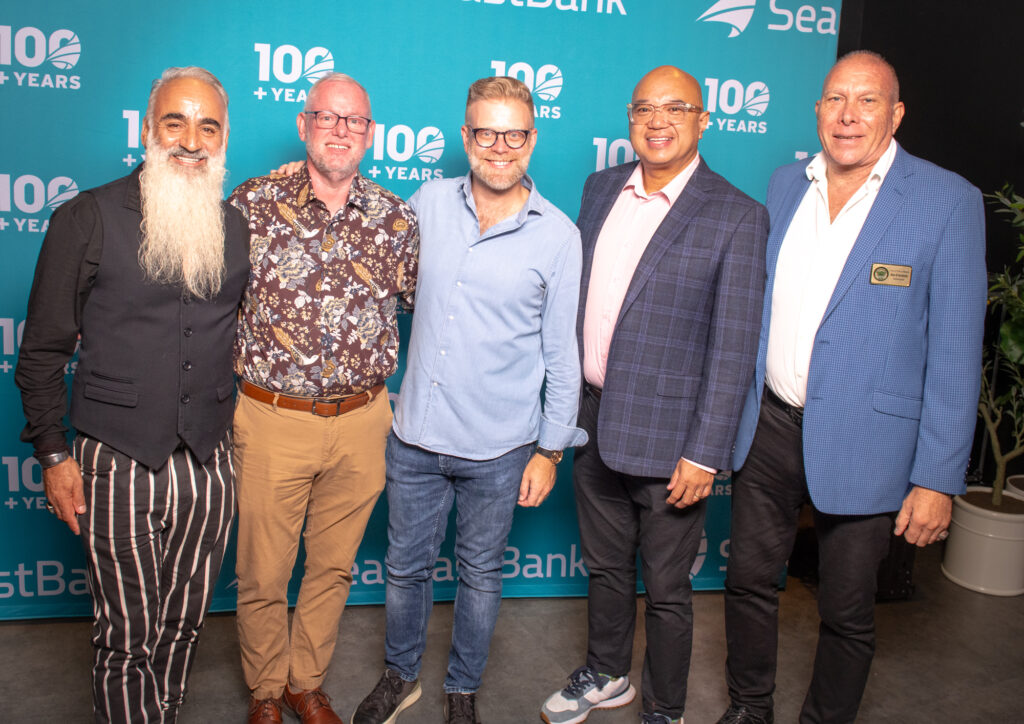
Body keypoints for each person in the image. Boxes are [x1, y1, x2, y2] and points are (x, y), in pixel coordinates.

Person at [717, 51, 986, 724]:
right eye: (836, 99)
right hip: (769, 425)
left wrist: (937, 479)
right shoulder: (786, 183)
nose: (848, 115)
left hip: (870, 440)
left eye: (868, 101)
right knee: (748, 583)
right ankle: (749, 709)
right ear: (817, 110)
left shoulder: (947, 201)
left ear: (896, 114)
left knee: (845, 609)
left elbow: (956, 352)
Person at [14, 66, 249, 723]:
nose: (191, 140)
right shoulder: (86, 217)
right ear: (148, 129)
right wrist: (54, 455)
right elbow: (41, 352)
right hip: (115, 459)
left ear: (224, 138)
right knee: (127, 633)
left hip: (208, 463)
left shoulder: (234, 226)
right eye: (175, 122)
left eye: (208, 127)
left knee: (185, 621)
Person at [349, 76, 585, 724]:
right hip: (416, 439)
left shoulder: (559, 237)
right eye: (487, 132)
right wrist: (301, 179)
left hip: (501, 449)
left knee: (480, 577)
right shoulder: (427, 202)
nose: (500, 147)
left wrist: (550, 452)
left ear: (532, 139)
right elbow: (366, 254)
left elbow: (562, 355)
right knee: (405, 570)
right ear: (466, 136)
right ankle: (401, 675)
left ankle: (462, 689)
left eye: (514, 134)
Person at [541, 65, 769, 724]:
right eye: (644, 107)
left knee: (667, 589)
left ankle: (664, 710)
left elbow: (734, 349)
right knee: (605, 567)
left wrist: (705, 453)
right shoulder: (601, 187)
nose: (658, 120)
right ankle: (607, 672)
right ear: (630, 118)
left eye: (676, 108)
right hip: (592, 419)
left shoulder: (737, 215)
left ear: (704, 120)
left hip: (673, 443)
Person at [229, 73, 418, 724]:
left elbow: (433, 306)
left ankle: (304, 683)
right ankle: (264, 692)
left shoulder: (396, 217)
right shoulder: (252, 204)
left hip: (363, 420)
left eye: (354, 120)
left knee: (333, 568)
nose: (341, 130)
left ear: (370, 133)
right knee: (262, 571)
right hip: (273, 417)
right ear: (304, 124)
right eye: (327, 117)